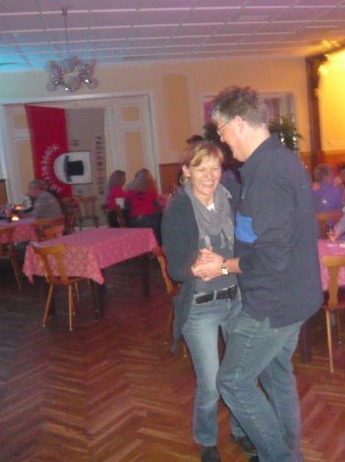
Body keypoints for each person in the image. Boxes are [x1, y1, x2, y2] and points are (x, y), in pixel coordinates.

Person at [194, 86, 322, 462]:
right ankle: (287, 453)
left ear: (238, 123)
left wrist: (222, 265)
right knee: (275, 375)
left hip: (271, 303)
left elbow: (269, 259)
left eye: (221, 130)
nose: (222, 139)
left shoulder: (267, 176)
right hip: (291, 297)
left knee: (232, 382)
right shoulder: (276, 162)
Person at [161, 141, 250, 462]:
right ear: (187, 171)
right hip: (201, 305)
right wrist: (196, 266)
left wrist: (224, 262)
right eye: (202, 169)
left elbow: (250, 243)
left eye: (215, 168)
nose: (210, 175)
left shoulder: (234, 196)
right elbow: (175, 268)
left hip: (237, 299)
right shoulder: (178, 208)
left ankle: (241, 430)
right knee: (211, 382)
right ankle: (207, 439)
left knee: (240, 376)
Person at [124, 168, 166, 243]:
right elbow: (158, 207)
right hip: (152, 220)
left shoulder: (130, 192)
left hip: (135, 222)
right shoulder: (152, 192)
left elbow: (127, 207)